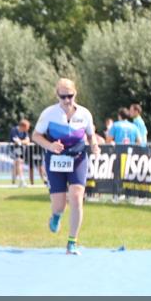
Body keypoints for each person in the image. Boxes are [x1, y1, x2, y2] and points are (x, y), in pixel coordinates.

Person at [31, 78, 100, 255]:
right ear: (57, 96)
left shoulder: (84, 114)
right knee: (59, 206)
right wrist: (50, 146)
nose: (67, 100)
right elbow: (36, 136)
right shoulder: (49, 113)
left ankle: (72, 242)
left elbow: (91, 135)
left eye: (70, 96)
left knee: (77, 198)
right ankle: (56, 216)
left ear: (75, 94)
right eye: (63, 97)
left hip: (77, 158)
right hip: (55, 161)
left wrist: (94, 145)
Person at [10, 119, 31, 187]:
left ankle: (14, 179)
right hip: (14, 150)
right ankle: (22, 180)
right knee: (19, 163)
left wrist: (21, 141)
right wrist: (23, 141)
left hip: (21, 150)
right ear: (23, 126)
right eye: (27, 127)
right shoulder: (14, 130)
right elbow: (16, 141)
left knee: (17, 165)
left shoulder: (25, 132)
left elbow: (27, 141)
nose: (28, 129)